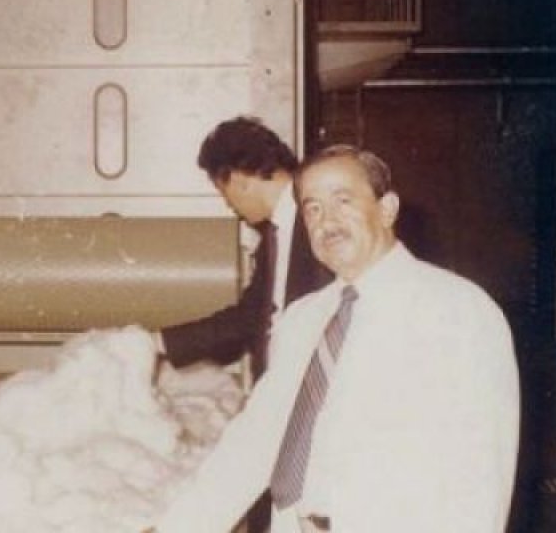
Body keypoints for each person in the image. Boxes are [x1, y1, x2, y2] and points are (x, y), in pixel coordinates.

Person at [152, 145, 520, 533]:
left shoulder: (457, 310)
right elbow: (254, 443)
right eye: (313, 208)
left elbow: (481, 475)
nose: (327, 221)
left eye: (343, 201)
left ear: (387, 209)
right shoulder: (302, 319)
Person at [159, 116, 332, 375]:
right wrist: (159, 343)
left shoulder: (318, 220)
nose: (229, 205)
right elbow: (250, 318)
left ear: (239, 179)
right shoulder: (275, 236)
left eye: (223, 192)